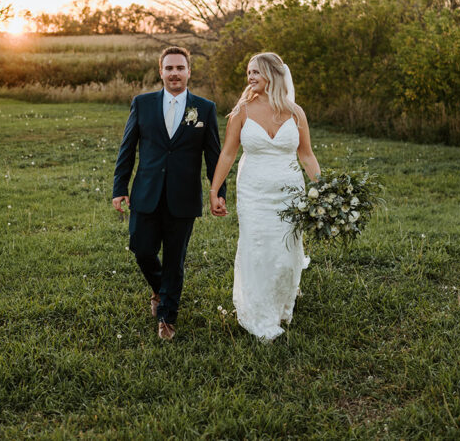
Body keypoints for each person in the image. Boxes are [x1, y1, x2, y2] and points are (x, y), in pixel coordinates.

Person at [112, 46, 227, 341]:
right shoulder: (143, 103)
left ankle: (166, 317)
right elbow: (127, 149)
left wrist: (218, 192)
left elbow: (214, 156)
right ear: (160, 72)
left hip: (183, 196)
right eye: (169, 68)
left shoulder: (205, 108)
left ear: (189, 72)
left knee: (175, 259)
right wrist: (119, 187)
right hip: (146, 192)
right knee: (142, 249)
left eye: (180, 68)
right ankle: (160, 290)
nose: (174, 73)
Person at [209, 52, 321, 341]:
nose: (250, 77)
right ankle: (259, 314)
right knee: (257, 250)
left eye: (256, 72)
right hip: (254, 193)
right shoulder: (242, 111)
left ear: (273, 74)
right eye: (249, 72)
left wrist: (323, 189)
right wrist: (214, 190)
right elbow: (228, 153)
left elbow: (306, 155)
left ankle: (282, 306)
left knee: (285, 254)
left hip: (289, 192)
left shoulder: (296, 113)